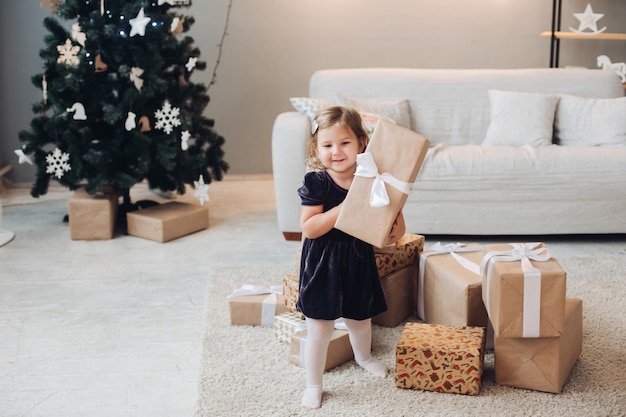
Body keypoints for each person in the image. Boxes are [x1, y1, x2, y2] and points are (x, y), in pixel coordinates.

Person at [296, 106, 406, 409]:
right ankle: (313, 384)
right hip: (323, 263)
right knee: (320, 327)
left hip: (358, 258)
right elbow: (309, 228)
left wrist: (396, 227)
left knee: (360, 318)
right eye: (327, 145)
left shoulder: (372, 180)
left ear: (361, 143)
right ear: (317, 149)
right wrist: (340, 210)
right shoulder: (317, 182)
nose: (336, 152)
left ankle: (364, 357)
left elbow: (392, 233)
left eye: (344, 143)